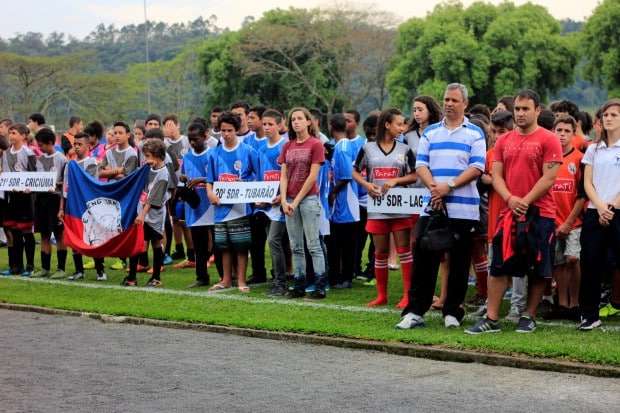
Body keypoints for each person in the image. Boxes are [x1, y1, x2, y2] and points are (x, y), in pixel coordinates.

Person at [465, 89, 562, 335]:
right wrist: (509, 198)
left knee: (538, 267)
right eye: (517, 109)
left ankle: (528, 316)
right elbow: (495, 174)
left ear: (537, 110)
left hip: (541, 212)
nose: (520, 113)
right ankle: (492, 317)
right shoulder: (504, 140)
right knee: (499, 265)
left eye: (525, 109)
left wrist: (526, 200)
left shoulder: (549, 139)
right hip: (508, 213)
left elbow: (549, 177)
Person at [397, 83, 486, 329]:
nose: (449, 104)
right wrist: (435, 188)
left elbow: (477, 167)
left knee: (459, 262)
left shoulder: (475, 133)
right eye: (446, 99)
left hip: (463, 209)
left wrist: (450, 186)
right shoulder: (431, 132)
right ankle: (415, 311)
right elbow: (421, 165)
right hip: (433, 206)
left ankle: (452, 312)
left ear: (464, 104)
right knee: (424, 258)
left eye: (454, 100)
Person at [353, 108, 416, 308]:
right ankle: (382, 295)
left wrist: (396, 180)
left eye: (404, 124)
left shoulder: (405, 150)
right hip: (377, 207)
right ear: (387, 125)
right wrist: (366, 185)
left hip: (400, 206)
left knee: (404, 251)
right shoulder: (367, 148)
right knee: (380, 252)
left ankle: (408, 295)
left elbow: (415, 175)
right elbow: (354, 172)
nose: (402, 128)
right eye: (399, 124)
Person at [578, 99, 620, 330]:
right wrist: (601, 207)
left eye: (614, 114)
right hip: (596, 213)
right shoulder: (593, 148)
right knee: (590, 263)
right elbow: (587, 182)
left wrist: (612, 207)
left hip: (617, 212)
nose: (609, 118)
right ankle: (589, 314)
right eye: (606, 115)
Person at [206, 111, 259, 293]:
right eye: (223, 130)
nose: (226, 134)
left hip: (240, 208)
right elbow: (209, 180)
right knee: (223, 246)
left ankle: (242, 280)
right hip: (220, 207)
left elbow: (257, 177)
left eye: (229, 130)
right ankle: (226, 279)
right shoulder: (214, 153)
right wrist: (210, 194)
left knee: (241, 246)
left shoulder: (248, 151)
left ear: (236, 130)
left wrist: (245, 186)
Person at [278, 107, 327, 299]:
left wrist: (295, 201)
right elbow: (283, 176)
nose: (296, 122)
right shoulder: (287, 146)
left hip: (307, 200)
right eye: (293, 119)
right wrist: (283, 200)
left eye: (300, 118)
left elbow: (312, 177)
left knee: (313, 244)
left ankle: (320, 285)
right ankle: (299, 284)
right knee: (295, 245)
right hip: (289, 201)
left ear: (308, 122)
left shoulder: (316, 145)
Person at [545, 115, 585, 321]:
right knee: (558, 263)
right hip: (553, 220)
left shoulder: (579, 159)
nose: (562, 135)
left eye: (566, 131)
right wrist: (553, 220)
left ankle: (575, 302)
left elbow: (582, 194)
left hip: (573, 222)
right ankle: (562, 304)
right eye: (558, 130)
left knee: (572, 258)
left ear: (573, 133)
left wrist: (569, 222)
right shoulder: (549, 158)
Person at [123, 139, 170, 287]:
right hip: (141, 211)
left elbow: (153, 199)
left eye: (149, 156)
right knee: (138, 242)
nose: (146, 160)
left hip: (154, 215)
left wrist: (142, 215)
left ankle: (156, 277)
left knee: (156, 242)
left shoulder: (163, 174)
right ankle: (131, 277)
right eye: (145, 156)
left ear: (158, 156)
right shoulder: (147, 169)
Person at [98, 122, 139, 272]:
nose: (117, 136)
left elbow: (128, 176)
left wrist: (111, 171)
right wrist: (118, 170)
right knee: (110, 225)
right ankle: (114, 255)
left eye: (120, 133)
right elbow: (100, 172)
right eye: (115, 133)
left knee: (125, 226)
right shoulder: (108, 152)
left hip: (127, 194)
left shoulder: (132, 154)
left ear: (128, 135)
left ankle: (125, 259)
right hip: (112, 194)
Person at [59, 132, 99, 281]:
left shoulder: (92, 163)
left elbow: (91, 186)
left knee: (91, 238)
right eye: (74, 144)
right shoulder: (70, 165)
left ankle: (100, 270)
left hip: (87, 207)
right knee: (74, 238)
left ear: (88, 146)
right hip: (72, 207)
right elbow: (65, 188)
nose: (76, 147)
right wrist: (62, 208)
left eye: (79, 144)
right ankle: (79, 270)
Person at [30, 128, 68, 279]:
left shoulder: (61, 159)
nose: (40, 148)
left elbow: (65, 182)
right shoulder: (40, 160)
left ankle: (61, 268)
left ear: (51, 143)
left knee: (59, 234)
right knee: (44, 234)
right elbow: (38, 179)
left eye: (42, 145)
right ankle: (45, 268)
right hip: (41, 199)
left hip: (55, 199)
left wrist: (57, 184)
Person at [180, 122, 215, 288]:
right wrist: (184, 179)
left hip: (212, 203)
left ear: (205, 137)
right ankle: (202, 277)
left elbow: (219, 177)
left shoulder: (213, 154)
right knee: (198, 243)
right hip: (194, 205)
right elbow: (183, 174)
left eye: (196, 139)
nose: (193, 143)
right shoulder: (187, 156)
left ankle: (226, 276)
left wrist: (201, 179)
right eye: (190, 140)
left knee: (218, 242)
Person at [258, 109, 289, 296]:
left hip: (282, 203)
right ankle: (278, 279)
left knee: (274, 241)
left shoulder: (285, 146)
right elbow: (260, 177)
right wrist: (259, 196)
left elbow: (290, 176)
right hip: (267, 206)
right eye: (265, 124)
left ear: (279, 125)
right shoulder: (261, 149)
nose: (267, 127)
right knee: (274, 242)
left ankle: (281, 282)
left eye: (270, 124)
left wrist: (281, 196)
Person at [328, 114, 360, 289]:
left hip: (346, 202)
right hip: (340, 204)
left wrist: (333, 192)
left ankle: (346, 277)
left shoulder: (343, 146)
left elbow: (347, 175)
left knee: (346, 243)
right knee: (338, 242)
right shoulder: (338, 146)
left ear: (331, 126)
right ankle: (338, 276)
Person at [2, 123, 37, 276]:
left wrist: (28, 188)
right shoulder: (5, 154)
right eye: (10, 133)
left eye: (14, 133)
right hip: (11, 196)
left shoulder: (28, 153)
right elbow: (5, 174)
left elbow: (34, 175)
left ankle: (30, 266)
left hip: (25, 197)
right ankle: (15, 266)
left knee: (26, 231)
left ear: (23, 136)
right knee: (13, 231)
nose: (11, 136)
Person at [163, 114, 195, 268]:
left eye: (170, 124)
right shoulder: (164, 143)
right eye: (166, 125)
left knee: (184, 220)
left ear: (177, 125)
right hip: (170, 186)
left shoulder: (186, 141)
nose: (168, 128)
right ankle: (179, 249)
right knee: (174, 219)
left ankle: (192, 253)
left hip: (183, 186)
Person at [246, 105, 271, 284]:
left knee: (278, 239)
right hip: (253, 197)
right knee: (255, 238)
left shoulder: (273, 141)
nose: (248, 121)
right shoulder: (247, 141)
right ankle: (258, 273)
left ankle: (283, 272)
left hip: (273, 197)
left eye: (252, 117)